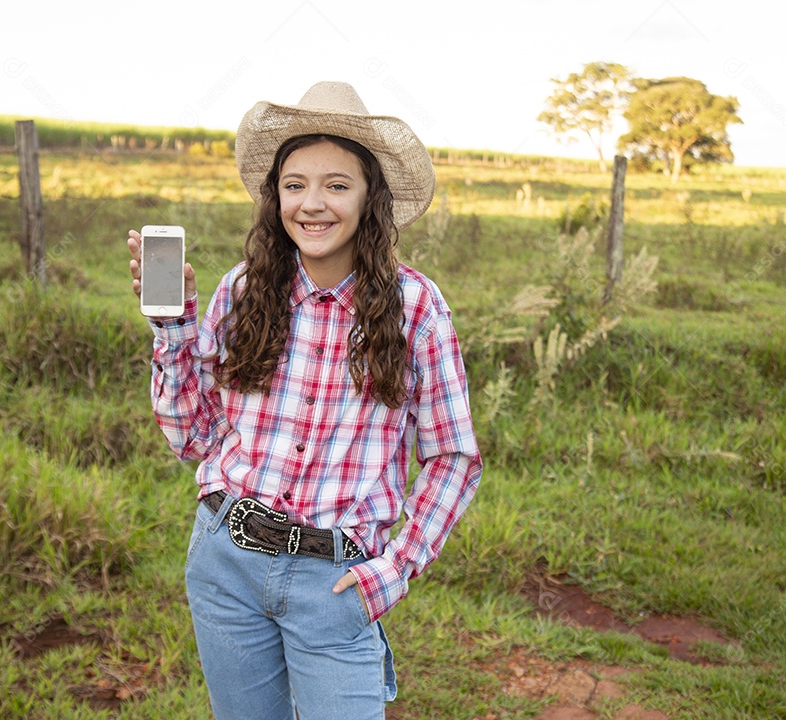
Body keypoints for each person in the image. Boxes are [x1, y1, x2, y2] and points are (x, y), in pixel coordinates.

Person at [126, 81, 482, 720]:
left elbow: (454, 457)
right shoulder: (243, 290)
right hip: (225, 562)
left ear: (371, 197)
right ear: (275, 197)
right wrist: (175, 330)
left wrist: (395, 569)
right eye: (294, 185)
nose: (312, 204)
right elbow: (194, 440)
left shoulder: (415, 307)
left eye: (336, 185)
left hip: (336, 582)